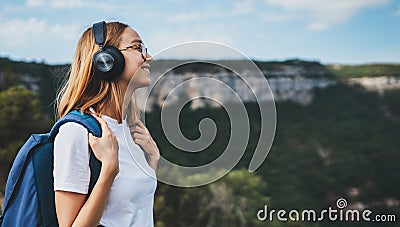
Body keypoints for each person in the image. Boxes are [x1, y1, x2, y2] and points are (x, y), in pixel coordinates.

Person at [53, 21, 159, 226]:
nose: (148, 57)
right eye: (137, 48)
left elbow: (133, 213)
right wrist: (109, 169)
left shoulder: (129, 129)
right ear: (106, 60)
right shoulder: (76, 133)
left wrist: (152, 161)